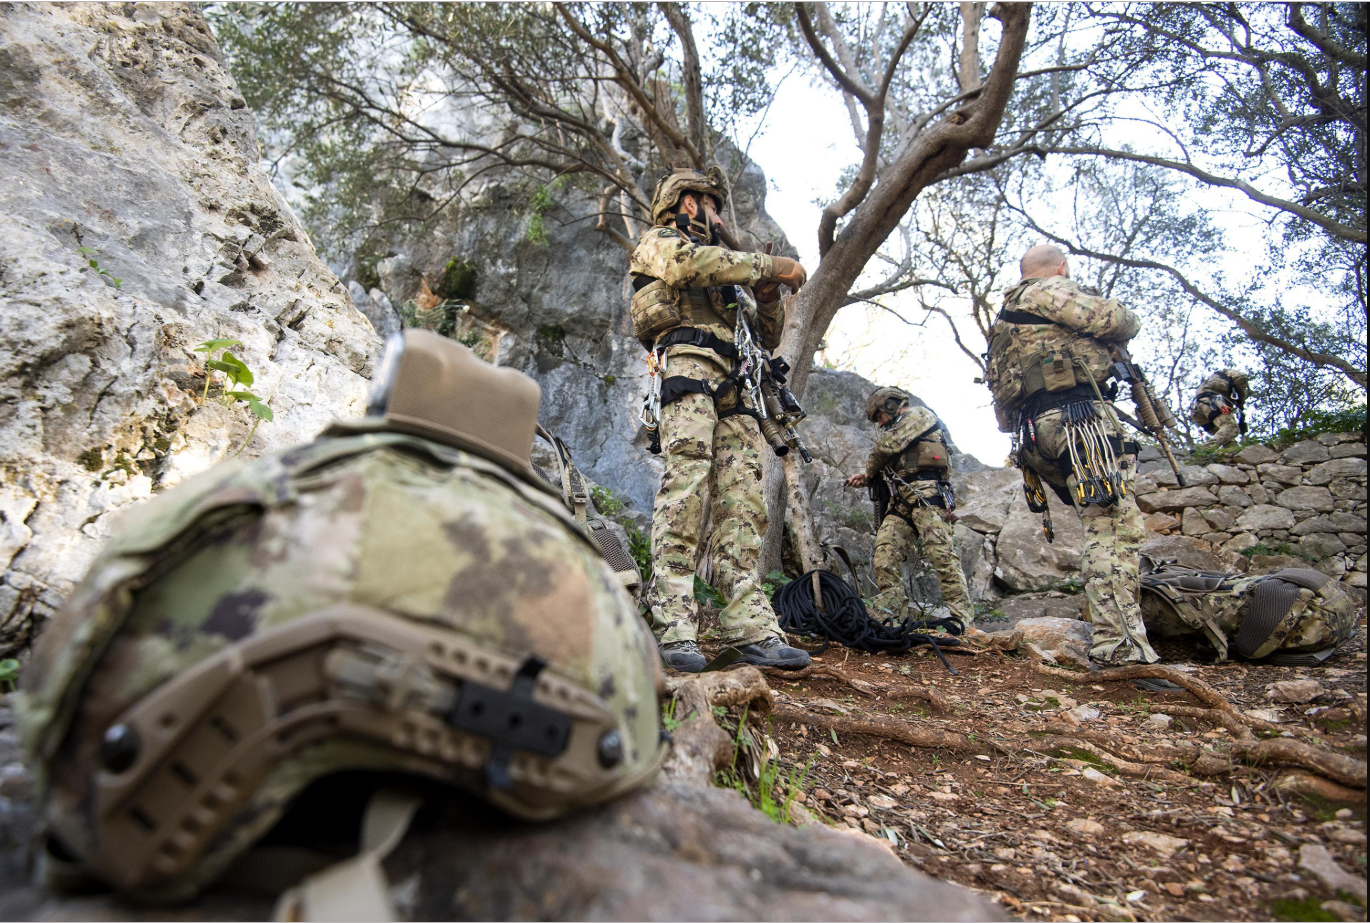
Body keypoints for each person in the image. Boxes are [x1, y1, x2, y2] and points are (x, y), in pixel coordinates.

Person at [17, 330, 667, 911]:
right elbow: (639, 713)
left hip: (141, 764)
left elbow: (72, 663)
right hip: (557, 738)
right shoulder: (573, 554)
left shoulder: (271, 488)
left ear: (384, 400)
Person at [629, 167, 810, 673]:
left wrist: (770, 291)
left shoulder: (732, 275)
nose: (716, 215)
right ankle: (673, 624)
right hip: (686, 371)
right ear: (687, 202)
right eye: (708, 203)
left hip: (738, 385)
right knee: (685, 491)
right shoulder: (660, 242)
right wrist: (768, 262)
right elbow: (687, 268)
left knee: (745, 504)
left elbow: (766, 335)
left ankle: (747, 627)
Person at [983, 244, 1170, 682]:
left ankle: (1113, 636)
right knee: (1112, 529)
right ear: (1061, 268)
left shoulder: (1003, 324)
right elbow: (1118, 320)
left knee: (1100, 525)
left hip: (1035, 433)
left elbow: (1001, 402)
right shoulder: (1048, 292)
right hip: (1080, 421)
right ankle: (1121, 650)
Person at [844, 387, 973, 634]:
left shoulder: (918, 415)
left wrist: (869, 472)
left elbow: (886, 448)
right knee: (884, 554)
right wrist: (868, 478)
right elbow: (892, 463)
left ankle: (963, 623)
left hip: (928, 495)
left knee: (942, 557)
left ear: (891, 406)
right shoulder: (900, 428)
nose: (880, 425)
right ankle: (894, 621)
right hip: (901, 500)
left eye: (879, 417)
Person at [1190, 368, 1249, 447]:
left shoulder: (1211, 380)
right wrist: (1241, 408)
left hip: (1197, 410)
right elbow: (1241, 379)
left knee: (1227, 439)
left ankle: (1233, 456)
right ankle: (1205, 449)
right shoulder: (1232, 374)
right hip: (1213, 402)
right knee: (1231, 427)